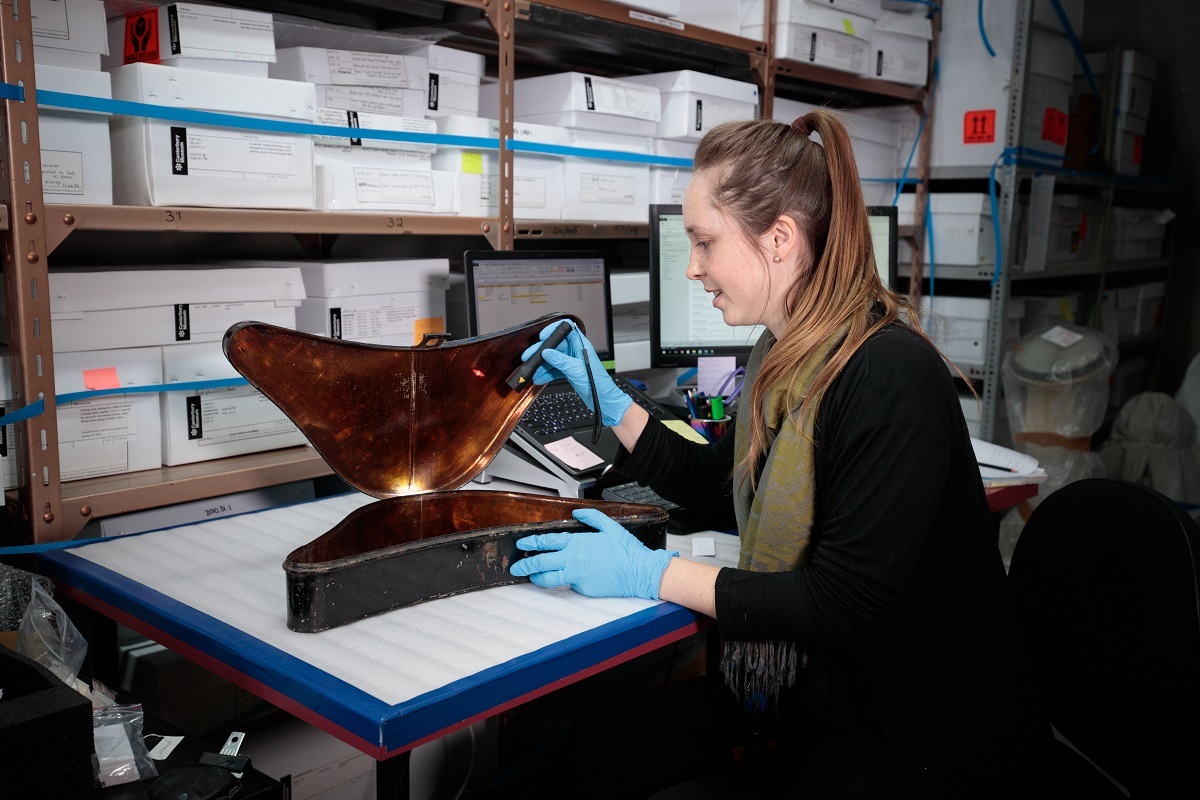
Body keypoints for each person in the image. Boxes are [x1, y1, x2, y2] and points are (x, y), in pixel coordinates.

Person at [508, 111, 1052, 799]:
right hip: (809, 693)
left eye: (705, 242)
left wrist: (653, 574)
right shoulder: (783, 356)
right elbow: (719, 487)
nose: (694, 267)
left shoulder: (888, 375)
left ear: (781, 239)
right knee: (594, 751)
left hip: (908, 731)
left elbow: (837, 603)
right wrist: (613, 404)